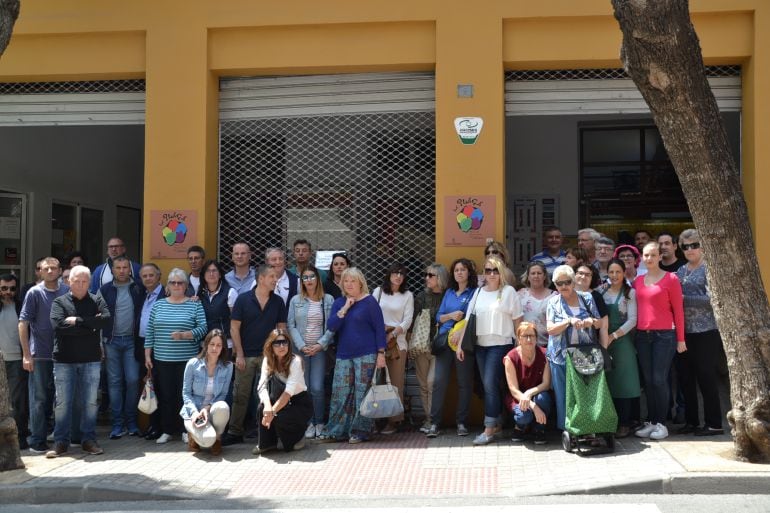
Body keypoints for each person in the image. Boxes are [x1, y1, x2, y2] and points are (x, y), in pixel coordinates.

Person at [457, 256, 523, 446]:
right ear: (483, 274)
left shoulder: (509, 291)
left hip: (501, 344)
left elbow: (518, 320)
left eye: (495, 270)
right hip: (480, 346)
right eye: (488, 270)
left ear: (501, 272)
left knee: (489, 384)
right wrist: (460, 345)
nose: (492, 274)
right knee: (490, 386)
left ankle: (489, 429)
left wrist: (519, 346)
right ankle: (498, 423)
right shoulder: (478, 292)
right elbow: (469, 320)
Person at [46, 265, 110, 458]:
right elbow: (58, 326)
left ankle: (88, 440)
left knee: (90, 403)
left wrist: (78, 321)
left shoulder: (96, 299)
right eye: (77, 281)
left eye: (84, 281)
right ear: (68, 282)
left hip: (91, 360)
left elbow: (105, 320)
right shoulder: (59, 302)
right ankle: (61, 442)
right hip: (64, 360)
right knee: (63, 403)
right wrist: (90, 325)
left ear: (89, 282)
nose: (81, 285)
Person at [317, 267, 386, 444]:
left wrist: (381, 353)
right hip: (344, 354)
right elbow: (332, 326)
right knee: (340, 394)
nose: (348, 284)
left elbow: (380, 329)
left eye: (352, 281)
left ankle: (360, 431)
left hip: (367, 354)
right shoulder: (339, 302)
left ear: (360, 283)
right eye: (345, 281)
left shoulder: (370, 302)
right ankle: (336, 431)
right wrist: (346, 308)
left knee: (362, 394)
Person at [222, 264, 287, 446]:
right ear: (261, 279)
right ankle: (235, 431)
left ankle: (265, 430)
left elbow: (281, 329)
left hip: (269, 357)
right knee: (240, 395)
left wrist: (280, 355)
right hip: (246, 356)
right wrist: (239, 354)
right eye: (272, 277)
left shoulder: (278, 302)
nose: (275, 280)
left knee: (266, 396)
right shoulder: (243, 300)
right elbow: (234, 328)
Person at [144, 268, 208, 445]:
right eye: (173, 282)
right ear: (168, 285)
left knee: (185, 396)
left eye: (180, 282)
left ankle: (185, 429)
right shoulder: (159, 305)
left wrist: (186, 335)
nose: (177, 285)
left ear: (186, 286)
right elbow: (150, 331)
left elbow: (203, 328)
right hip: (162, 359)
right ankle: (166, 430)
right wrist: (147, 356)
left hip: (187, 360)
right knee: (166, 396)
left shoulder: (194, 304)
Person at [632, 242, 686, 440]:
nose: (649, 259)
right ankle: (652, 422)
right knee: (648, 381)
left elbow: (679, 311)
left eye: (653, 255)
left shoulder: (671, 279)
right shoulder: (638, 281)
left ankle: (662, 424)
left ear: (660, 257)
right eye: (646, 255)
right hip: (642, 336)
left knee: (659, 379)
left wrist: (681, 339)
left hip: (665, 335)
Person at [675, 229, 725, 436]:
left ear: (703, 245)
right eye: (685, 246)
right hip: (684, 333)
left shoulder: (710, 269)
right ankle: (692, 421)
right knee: (685, 378)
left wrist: (683, 299)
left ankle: (714, 424)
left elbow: (714, 300)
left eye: (694, 245)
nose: (690, 250)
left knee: (706, 376)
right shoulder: (680, 271)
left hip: (706, 331)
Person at [19, 256, 68, 454]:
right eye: (46, 268)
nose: (50, 271)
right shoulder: (34, 293)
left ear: (59, 270)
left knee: (61, 399)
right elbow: (23, 323)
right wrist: (26, 355)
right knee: (38, 399)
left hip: (63, 354)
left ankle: (60, 439)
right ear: (40, 271)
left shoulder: (67, 291)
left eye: (53, 268)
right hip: (39, 354)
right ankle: (37, 440)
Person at [546, 265, 602, 431]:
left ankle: (587, 427)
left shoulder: (587, 298)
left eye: (567, 282)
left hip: (585, 354)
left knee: (585, 393)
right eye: (559, 283)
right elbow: (550, 329)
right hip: (560, 356)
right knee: (564, 395)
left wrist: (590, 322)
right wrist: (568, 321)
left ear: (574, 282)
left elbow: (599, 322)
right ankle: (567, 429)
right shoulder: (553, 302)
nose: (563, 286)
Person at [426, 258, 477, 438]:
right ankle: (434, 423)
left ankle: (461, 423)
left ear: (469, 273)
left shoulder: (474, 293)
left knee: (464, 384)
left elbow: (474, 316)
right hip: (444, 341)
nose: (460, 273)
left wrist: (461, 329)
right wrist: (450, 316)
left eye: (463, 270)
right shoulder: (448, 292)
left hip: (463, 343)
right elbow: (439, 317)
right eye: (456, 270)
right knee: (439, 382)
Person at [287, 264, 334, 439]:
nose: (309, 280)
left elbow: (332, 327)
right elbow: (290, 325)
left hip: (319, 350)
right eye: (305, 277)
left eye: (312, 277)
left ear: (318, 279)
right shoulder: (295, 300)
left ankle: (319, 422)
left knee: (317, 387)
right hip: (301, 351)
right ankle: (309, 423)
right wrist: (301, 346)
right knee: (303, 388)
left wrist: (320, 344)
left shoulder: (327, 299)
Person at [98, 256, 142, 439]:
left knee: (132, 380)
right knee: (114, 383)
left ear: (130, 269)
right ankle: (117, 424)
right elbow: (98, 317)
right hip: (111, 342)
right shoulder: (104, 290)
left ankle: (131, 422)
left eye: (125, 267)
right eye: (118, 267)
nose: (122, 270)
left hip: (132, 341)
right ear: (113, 270)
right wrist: (99, 342)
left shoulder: (138, 288)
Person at [253, 328, 312, 454]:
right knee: (261, 408)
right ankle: (267, 444)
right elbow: (262, 386)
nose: (281, 346)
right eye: (277, 343)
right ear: (271, 346)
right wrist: (268, 407)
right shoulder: (267, 360)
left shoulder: (296, 361)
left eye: (285, 342)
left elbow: (288, 393)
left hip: (298, 402)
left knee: (280, 416)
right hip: (278, 396)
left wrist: (272, 413)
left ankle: (298, 438)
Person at [600, 258, 640, 438]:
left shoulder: (630, 293)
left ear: (624, 273)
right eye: (611, 272)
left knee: (624, 382)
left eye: (618, 272)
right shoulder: (602, 292)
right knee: (609, 382)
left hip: (622, 341)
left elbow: (633, 320)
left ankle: (625, 423)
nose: (614, 275)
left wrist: (613, 336)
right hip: (603, 341)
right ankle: (611, 421)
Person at [372, 263, 414, 435]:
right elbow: (371, 314)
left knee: (395, 383)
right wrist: (381, 331)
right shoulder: (378, 292)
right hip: (377, 342)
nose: (398, 276)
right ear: (388, 275)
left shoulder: (408, 295)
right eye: (395, 273)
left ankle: (394, 421)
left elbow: (408, 320)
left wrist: (393, 334)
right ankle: (374, 418)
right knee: (376, 381)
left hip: (398, 343)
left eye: (401, 274)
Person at [180, 329, 233, 455]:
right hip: (194, 411)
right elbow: (186, 393)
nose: (215, 348)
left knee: (223, 407)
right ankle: (193, 436)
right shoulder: (193, 364)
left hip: (212, 410)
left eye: (219, 345)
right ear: (206, 345)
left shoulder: (228, 366)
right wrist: (194, 413)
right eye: (212, 344)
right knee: (207, 440)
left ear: (223, 348)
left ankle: (218, 439)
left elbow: (223, 394)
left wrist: (207, 408)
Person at [410, 263, 448, 433]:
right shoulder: (421, 296)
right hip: (422, 345)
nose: (427, 278)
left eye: (431, 275)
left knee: (432, 382)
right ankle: (429, 419)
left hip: (440, 346)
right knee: (423, 384)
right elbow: (412, 321)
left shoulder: (449, 295)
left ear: (440, 277)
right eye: (426, 275)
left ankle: (435, 419)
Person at [504, 322, 552, 445]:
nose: (529, 339)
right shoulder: (511, 357)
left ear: (537, 338)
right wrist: (533, 406)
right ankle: (519, 428)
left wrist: (530, 393)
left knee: (543, 398)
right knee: (524, 416)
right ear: (519, 338)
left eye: (532, 335)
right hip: (517, 397)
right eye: (525, 336)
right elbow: (513, 389)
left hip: (537, 394)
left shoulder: (544, 354)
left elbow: (546, 384)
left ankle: (539, 430)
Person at [133, 263, 166, 440]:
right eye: (144, 276)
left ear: (159, 276)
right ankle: (153, 425)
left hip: (159, 346)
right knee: (149, 386)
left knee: (159, 387)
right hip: (142, 345)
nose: (147, 279)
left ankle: (159, 426)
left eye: (151, 275)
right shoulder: (142, 295)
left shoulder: (166, 293)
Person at [1, 273, 28, 449]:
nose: (8, 292)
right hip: (0, 360)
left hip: (17, 360)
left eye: (12, 288)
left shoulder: (21, 306)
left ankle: (21, 438)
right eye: (4, 288)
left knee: (18, 402)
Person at [197, 260, 238, 357]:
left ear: (220, 274)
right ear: (203, 275)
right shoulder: (200, 294)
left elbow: (235, 322)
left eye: (214, 271)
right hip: (205, 345)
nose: (211, 274)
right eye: (208, 271)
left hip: (225, 344)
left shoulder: (230, 292)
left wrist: (236, 346)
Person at [518, 262, 557, 347]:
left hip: (548, 345)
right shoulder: (520, 295)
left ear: (544, 276)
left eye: (539, 273)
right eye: (533, 273)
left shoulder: (555, 296)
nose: (536, 276)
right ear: (528, 277)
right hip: (525, 344)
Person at [573, 264, 609, 348]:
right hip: (567, 345)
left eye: (587, 275)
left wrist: (604, 350)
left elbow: (604, 326)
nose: (583, 277)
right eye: (580, 273)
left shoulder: (597, 297)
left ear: (592, 278)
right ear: (574, 275)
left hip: (590, 346)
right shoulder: (566, 294)